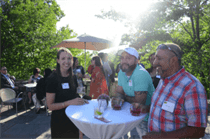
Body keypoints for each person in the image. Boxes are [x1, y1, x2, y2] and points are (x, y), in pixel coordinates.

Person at [143, 43, 208, 139]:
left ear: (173, 60)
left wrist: (161, 137)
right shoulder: (163, 79)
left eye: (159, 59)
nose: (154, 63)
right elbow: (162, 108)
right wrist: (144, 109)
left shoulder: (192, 87)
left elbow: (198, 130)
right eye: (155, 58)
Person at [112, 47, 155, 139]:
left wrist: (123, 97)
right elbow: (119, 92)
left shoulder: (140, 74)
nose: (123, 61)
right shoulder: (121, 73)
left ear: (137, 61)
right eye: (122, 58)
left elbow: (139, 102)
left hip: (146, 118)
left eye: (128, 58)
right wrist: (119, 97)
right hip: (131, 113)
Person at [46, 47, 88, 139]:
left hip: (74, 120)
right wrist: (69, 103)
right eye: (63, 58)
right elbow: (50, 106)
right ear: (58, 61)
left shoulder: (73, 77)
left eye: (69, 58)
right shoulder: (52, 79)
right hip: (60, 123)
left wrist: (80, 132)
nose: (67, 61)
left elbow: (76, 97)